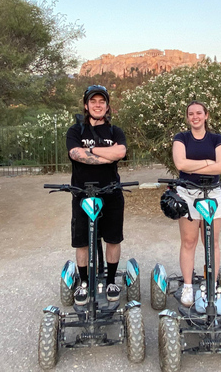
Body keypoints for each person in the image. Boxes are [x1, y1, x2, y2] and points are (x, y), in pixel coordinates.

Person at [66, 85, 128, 304]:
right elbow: (75, 154)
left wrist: (90, 150)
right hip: (82, 193)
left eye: (102, 102)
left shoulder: (115, 131)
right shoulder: (76, 131)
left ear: (107, 106)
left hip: (111, 192)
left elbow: (120, 152)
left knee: (113, 238)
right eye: (93, 102)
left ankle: (111, 280)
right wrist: (105, 155)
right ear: (86, 105)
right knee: (82, 241)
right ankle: (83, 283)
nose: (98, 105)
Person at [171, 100, 221, 306]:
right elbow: (180, 164)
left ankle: (210, 284)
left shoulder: (216, 139)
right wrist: (208, 163)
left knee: (211, 242)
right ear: (187, 117)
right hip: (187, 193)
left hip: (212, 193)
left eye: (199, 113)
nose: (195, 117)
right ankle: (188, 286)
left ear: (206, 115)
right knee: (189, 241)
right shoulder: (181, 138)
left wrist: (194, 166)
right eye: (191, 114)